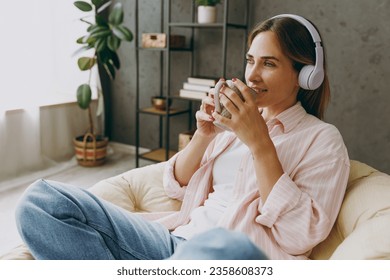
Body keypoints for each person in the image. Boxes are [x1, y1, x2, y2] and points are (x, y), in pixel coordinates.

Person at [15, 14, 349, 260]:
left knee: (224, 247)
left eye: (269, 64)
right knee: (40, 201)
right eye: (250, 61)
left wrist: (260, 143)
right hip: (172, 242)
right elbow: (173, 184)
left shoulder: (322, 140)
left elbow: (299, 236)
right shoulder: (232, 125)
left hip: (230, 257)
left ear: (305, 76)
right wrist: (204, 136)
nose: (252, 74)